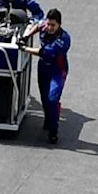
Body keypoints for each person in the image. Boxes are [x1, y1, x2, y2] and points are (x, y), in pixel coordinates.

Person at [31, 7, 73, 143]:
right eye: (48, 24)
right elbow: (38, 25)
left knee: (52, 99)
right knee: (44, 98)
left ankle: (53, 131)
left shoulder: (64, 39)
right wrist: (27, 35)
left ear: (59, 24)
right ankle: (49, 118)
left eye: (53, 25)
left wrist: (25, 49)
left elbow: (46, 52)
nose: (49, 27)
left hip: (58, 71)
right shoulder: (44, 25)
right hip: (43, 68)